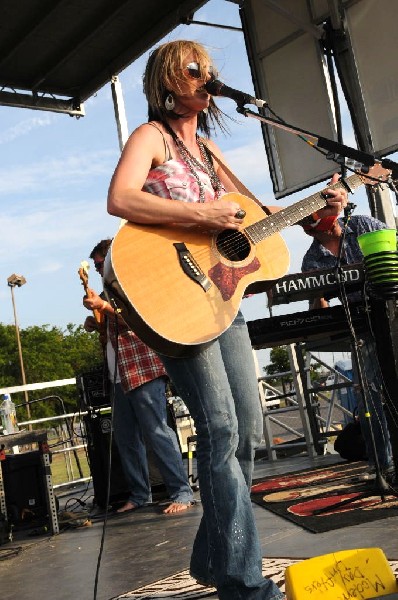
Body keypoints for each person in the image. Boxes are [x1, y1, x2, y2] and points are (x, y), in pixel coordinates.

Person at [105, 39, 348, 599]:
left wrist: (321, 208)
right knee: (218, 429)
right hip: (172, 302)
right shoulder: (151, 137)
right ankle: (243, 585)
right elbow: (120, 198)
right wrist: (200, 213)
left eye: (210, 71)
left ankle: (215, 558)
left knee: (246, 432)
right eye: (195, 70)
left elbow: (258, 219)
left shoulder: (211, 153)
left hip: (223, 300)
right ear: (169, 79)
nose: (206, 77)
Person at [83, 238, 194, 514]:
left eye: (99, 264)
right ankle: (139, 494)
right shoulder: (108, 290)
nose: (97, 270)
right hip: (119, 374)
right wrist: (95, 321)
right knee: (125, 438)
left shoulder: (131, 282)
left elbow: (139, 319)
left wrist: (104, 308)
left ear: (109, 259)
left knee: (157, 432)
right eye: (95, 266)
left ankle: (182, 492)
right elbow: (114, 328)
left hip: (142, 369)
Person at [300, 211, 394, 481]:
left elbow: (391, 244)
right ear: (312, 232)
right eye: (325, 230)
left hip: (390, 308)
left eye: (334, 226)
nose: (334, 231)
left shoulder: (362, 224)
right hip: (360, 325)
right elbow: (319, 307)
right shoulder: (312, 259)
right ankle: (381, 465)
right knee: (368, 396)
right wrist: (316, 298)